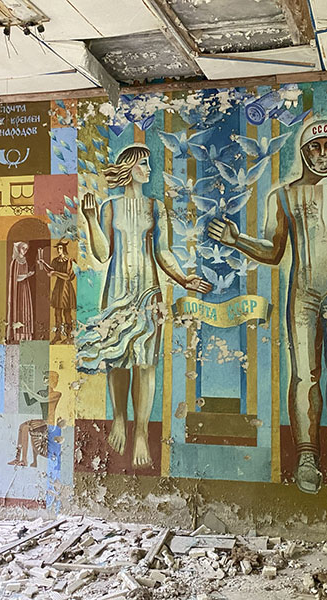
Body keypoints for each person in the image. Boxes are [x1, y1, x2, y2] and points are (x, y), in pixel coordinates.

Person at [208, 119, 327, 494]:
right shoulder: (282, 196)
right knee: (304, 376)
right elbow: (273, 251)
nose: (322, 154)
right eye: (315, 147)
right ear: (303, 150)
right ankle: (308, 455)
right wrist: (237, 240)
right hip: (303, 296)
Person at [77, 144, 212, 468]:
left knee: (146, 363)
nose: (148, 169)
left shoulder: (156, 207)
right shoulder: (109, 206)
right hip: (116, 290)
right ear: (128, 168)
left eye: (149, 164)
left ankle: (140, 431)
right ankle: (119, 417)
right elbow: (102, 254)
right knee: (117, 359)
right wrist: (91, 220)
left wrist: (183, 279)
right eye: (143, 164)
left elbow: (163, 252)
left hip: (148, 291)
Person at [38, 239, 77, 343]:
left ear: (64, 249)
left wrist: (55, 273)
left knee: (67, 313)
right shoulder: (55, 260)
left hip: (66, 288)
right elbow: (51, 271)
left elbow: (68, 276)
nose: (59, 250)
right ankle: (58, 335)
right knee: (57, 313)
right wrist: (44, 263)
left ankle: (69, 336)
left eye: (60, 248)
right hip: (58, 287)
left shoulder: (69, 261)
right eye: (58, 248)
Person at [6, 241, 35, 343]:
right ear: (18, 249)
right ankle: (17, 335)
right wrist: (27, 275)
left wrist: (27, 275)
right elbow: (16, 278)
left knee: (25, 308)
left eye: (26, 249)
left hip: (24, 288)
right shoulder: (15, 261)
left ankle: (25, 334)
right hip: (17, 290)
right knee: (18, 309)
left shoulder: (24, 261)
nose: (25, 251)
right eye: (23, 248)